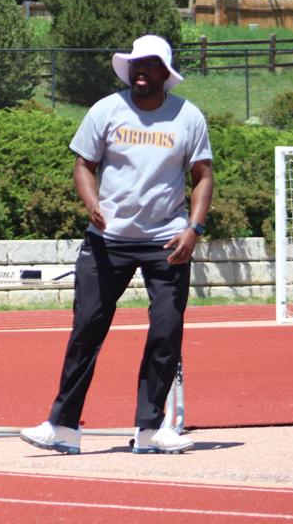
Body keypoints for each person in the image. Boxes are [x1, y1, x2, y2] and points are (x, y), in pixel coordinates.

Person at [20, 34, 213, 455]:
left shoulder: (188, 117)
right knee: (86, 329)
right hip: (108, 240)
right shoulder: (106, 110)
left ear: (165, 72)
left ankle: (150, 430)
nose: (140, 71)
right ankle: (63, 427)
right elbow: (83, 165)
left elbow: (203, 176)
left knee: (166, 331)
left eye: (150, 64)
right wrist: (91, 203)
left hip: (166, 240)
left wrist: (194, 229)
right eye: (135, 64)